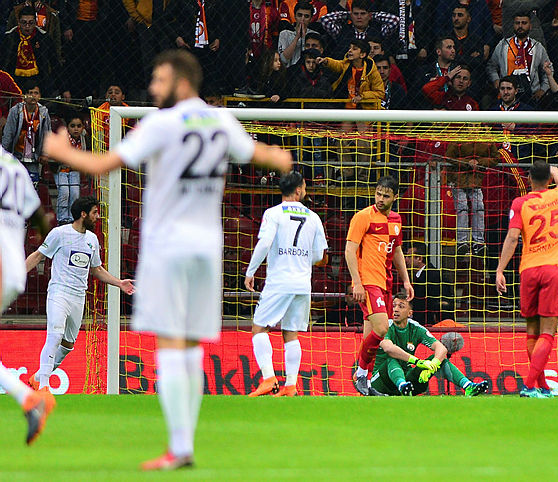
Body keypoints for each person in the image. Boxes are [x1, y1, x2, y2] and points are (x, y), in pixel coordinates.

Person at [42, 49, 292, 470]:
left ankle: (179, 447)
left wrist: (60, 150)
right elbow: (261, 154)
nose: (153, 87)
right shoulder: (220, 120)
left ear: (181, 81)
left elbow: (103, 163)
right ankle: (185, 443)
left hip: (168, 246)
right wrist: (279, 157)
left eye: (160, 80)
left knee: (171, 343)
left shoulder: (161, 124)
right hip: (206, 249)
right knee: (190, 344)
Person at [25, 196, 136, 391]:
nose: (97, 216)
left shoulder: (92, 239)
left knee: (68, 345)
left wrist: (119, 283)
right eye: (94, 212)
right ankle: (43, 387)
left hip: (78, 297)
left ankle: (39, 376)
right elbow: (38, 256)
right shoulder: (59, 234)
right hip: (59, 292)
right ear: (83, 214)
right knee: (55, 335)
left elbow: (97, 269)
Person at [245, 172, 328, 397]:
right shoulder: (313, 217)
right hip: (302, 284)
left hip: (279, 281)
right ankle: (290, 385)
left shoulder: (273, 214)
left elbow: (264, 244)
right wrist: (301, 259)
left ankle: (269, 378)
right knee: (291, 333)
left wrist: (251, 271)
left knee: (259, 328)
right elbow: (319, 255)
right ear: (298, 190)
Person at [496, 161, 558, 398]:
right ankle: (529, 385)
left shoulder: (520, 203)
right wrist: (556, 171)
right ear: (549, 179)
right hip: (552, 269)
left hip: (528, 269)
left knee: (531, 331)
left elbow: (512, 238)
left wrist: (500, 269)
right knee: (547, 332)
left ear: (528, 178)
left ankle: (543, 387)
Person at [0, 147, 55, 445]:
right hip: (14, 268)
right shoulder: (15, 166)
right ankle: (29, 399)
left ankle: (29, 398)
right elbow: (40, 220)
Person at [344, 175, 414, 396]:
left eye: (385, 196)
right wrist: (357, 283)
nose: (380, 199)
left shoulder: (396, 219)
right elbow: (349, 251)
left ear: (395, 197)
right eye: (378, 194)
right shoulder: (363, 217)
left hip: (386, 282)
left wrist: (406, 279)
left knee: (371, 337)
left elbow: (397, 250)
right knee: (383, 328)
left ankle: (365, 383)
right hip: (368, 282)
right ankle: (361, 374)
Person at [369, 293, 490, 396]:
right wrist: (417, 361)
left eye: (401, 306)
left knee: (440, 359)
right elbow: (388, 348)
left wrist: (433, 365)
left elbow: (441, 348)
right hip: (380, 383)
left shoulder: (415, 328)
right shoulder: (385, 326)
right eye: (394, 306)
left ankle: (468, 386)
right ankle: (402, 386)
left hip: (408, 381)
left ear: (410, 313)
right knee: (392, 358)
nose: (395, 309)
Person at [445, 139, 498, 256]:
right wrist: (467, 163)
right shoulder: (459, 137)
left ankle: (478, 242)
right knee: (462, 208)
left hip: (476, 180)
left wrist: (479, 162)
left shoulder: (487, 138)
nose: (474, 129)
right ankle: (462, 242)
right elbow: (449, 157)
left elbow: (495, 158)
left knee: (479, 207)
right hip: (458, 180)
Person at [487, 12, 550, 105]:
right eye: (517, 23)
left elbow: (549, 70)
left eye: (524, 23)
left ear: (530, 26)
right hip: (507, 94)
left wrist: (543, 89)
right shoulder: (503, 45)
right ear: (513, 25)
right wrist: (496, 80)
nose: (520, 26)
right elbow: (491, 66)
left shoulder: (537, 47)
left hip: (531, 95)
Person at [1, 82, 51, 185]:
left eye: (36, 93)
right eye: (30, 93)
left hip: (34, 157)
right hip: (16, 155)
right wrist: (4, 154)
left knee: (32, 186)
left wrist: (45, 154)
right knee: (15, 186)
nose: (33, 96)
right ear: (24, 96)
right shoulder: (15, 111)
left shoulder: (43, 112)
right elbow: (8, 133)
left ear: (40, 96)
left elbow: (47, 134)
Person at [317, 39, 384, 109]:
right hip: (344, 108)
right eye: (350, 48)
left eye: (354, 49)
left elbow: (380, 92)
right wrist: (326, 61)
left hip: (364, 110)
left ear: (362, 54)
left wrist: (362, 96)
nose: (349, 50)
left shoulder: (371, 70)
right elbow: (338, 65)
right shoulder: (346, 65)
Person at [404, 241, 454, 325]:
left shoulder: (433, 276)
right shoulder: (418, 275)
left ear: (419, 258)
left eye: (409, 256)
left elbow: (435, 304)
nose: (406, 260)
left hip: (431, 325)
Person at [53, 114, 85, 225]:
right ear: (67, 127)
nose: (76, 129)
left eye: (79, 126)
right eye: (72, 126)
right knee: (64, 192)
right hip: (61, 170)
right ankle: (62, 219)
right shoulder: (62, 138)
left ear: (83, 127)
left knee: (75, 194)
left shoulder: (84, 139)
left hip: (75, 170)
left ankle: (72, 219)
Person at [277, 2, 318, 66]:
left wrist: (304, 37)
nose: (302, 19)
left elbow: (314, 57)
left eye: (306, 16)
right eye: (299, 15)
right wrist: (297, 37)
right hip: (288, 70)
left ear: (311, 19)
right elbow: (283, 59)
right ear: (295, 16)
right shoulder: (285, 34)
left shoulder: (315, 35)